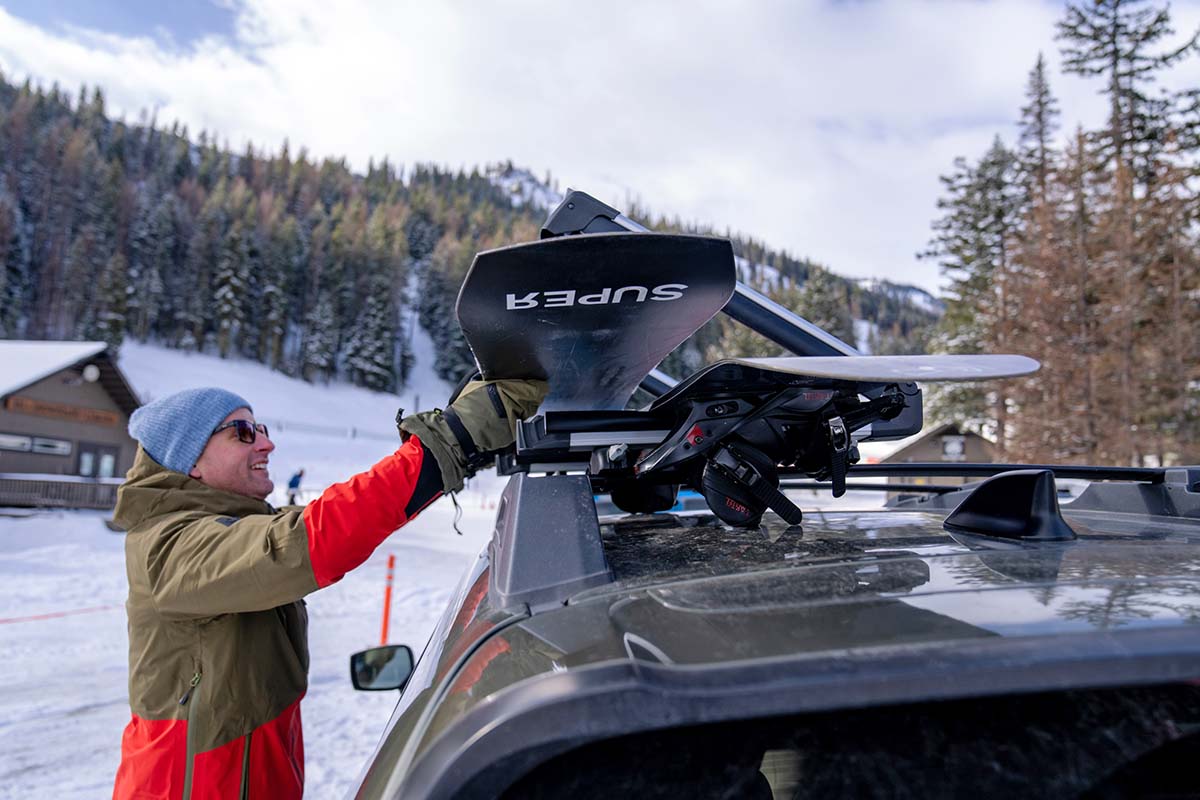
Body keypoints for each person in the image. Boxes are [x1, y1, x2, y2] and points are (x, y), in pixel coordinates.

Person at [111, 380, 546, 800]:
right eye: (242, 433)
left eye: (261, 429)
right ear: (189, 462)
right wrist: (448, 442)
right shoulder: (171, 546)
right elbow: (312, 540)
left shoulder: (228, 529)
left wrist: (451, 458)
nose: (266, 444)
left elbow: (338, 512)